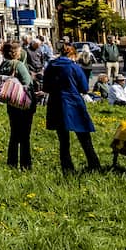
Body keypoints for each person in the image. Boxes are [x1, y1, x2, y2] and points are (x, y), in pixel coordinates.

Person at [43, 42, 102, 173]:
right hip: (73, 103)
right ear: (73, 55)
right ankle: (94, 165)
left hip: (56, 103)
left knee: (63, 141)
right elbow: (85, 88)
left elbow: (45, 87)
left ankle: (67, 168)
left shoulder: (50, 66)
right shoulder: (74, 67)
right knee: (84, 137)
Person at [0, 40, 36, 170]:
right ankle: (26, 164)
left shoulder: (3, 65)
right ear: (14, 52)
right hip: (22, 103)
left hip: (11, 102)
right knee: (25, 136)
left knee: (14, 134)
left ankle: (11, 163)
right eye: (19, 50)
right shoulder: (18, 65)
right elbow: (27, 83)